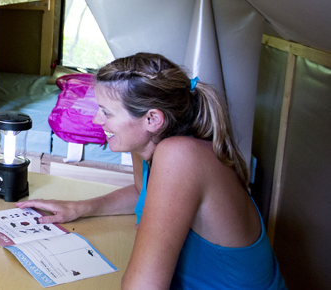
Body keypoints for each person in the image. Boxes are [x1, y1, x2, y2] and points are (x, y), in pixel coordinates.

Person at [17, 53, 286, 289]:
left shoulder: (180, 155)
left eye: (106, 112)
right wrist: (79, 208)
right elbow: (143, 192)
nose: (96, 120)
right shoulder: (149, 145)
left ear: (152, 119)